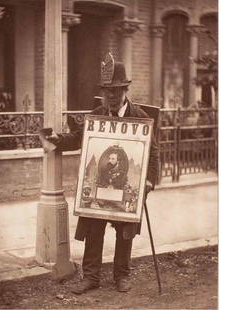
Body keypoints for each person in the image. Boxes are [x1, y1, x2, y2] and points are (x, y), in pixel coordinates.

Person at [40, 53, 159, 294]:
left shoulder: (141, 118)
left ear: (125, 90)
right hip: (101, 185)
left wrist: (148, 180)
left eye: (116, 91)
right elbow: (79, 139)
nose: (111, 97)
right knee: (94, 228)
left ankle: (121, 276)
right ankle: (91, 277)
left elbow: (153, 153)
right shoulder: (97, 115)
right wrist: (57, 140)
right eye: (107, 92)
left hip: (126, 186)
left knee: (125, 232)